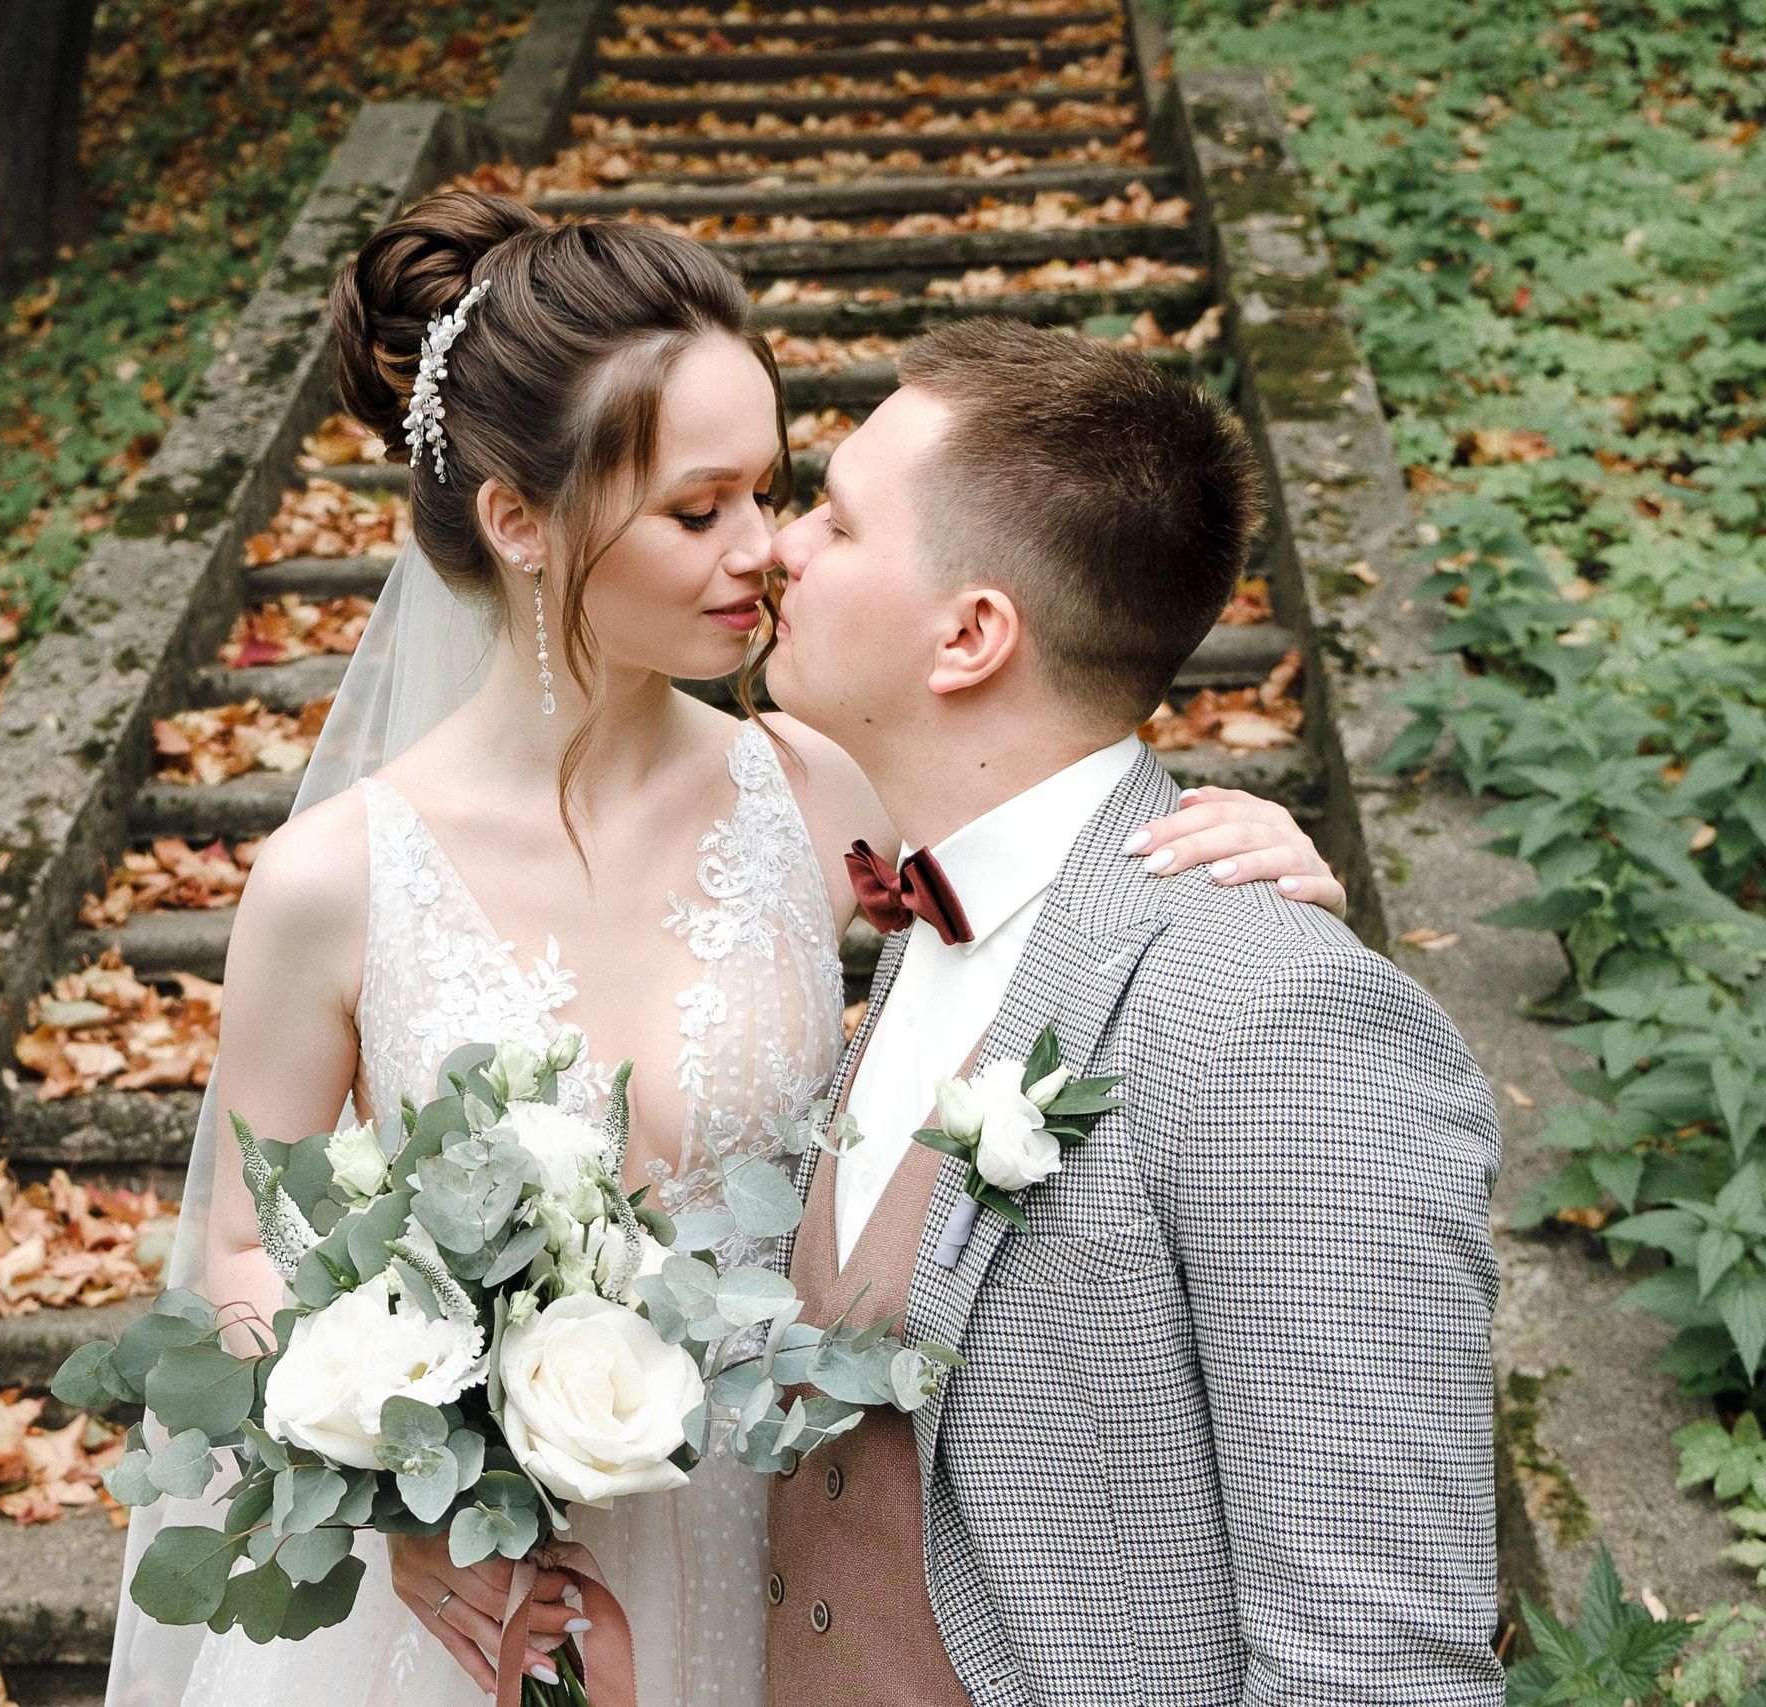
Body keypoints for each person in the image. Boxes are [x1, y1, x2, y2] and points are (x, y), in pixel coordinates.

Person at [101, 190, 1344, 1707]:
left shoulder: (823, 790)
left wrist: (1241, 862)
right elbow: (246, 1245)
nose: (767, 551)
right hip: (482, 1597)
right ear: (519, 523)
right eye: (700, 512)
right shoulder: (333, 881)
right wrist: (393, 1488)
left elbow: (1036, 878)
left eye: (774, 490)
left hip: (793, 1557)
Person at [755, 318, 1503, 1705]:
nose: (780, 546)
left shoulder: (1286, 1022)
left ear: (970, 635)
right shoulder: (925, 915)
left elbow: (1376, 1656)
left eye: (837, 521)